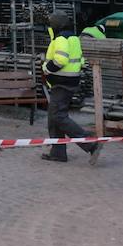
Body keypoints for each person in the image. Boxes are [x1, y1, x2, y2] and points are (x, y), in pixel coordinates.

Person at [39, 11, 102, 165]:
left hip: (61, 83)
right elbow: (80, 60)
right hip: (70, 81)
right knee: (53, 118)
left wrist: (46, 68)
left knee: (58, 117)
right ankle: (58, 153)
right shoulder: (73, 38)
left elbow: (60, 59)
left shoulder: (61, 38)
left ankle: (90, 143)